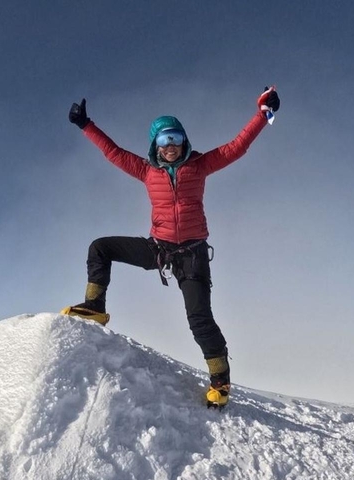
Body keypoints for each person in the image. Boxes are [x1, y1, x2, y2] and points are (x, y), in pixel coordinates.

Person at [60, 87, 280, 408]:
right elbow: (114, 152)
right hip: (159, 249)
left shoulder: (200, 165)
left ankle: (220, 382)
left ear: (184, 140)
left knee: (199, 319)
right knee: (100, 248)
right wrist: (86, 125)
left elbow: (237, 146)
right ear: (155, 145)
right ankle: (94, 307)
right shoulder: (147, 171)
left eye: (175, 138)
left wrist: (264, 114)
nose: (171, 146)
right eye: (164, 140)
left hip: (193, 256)